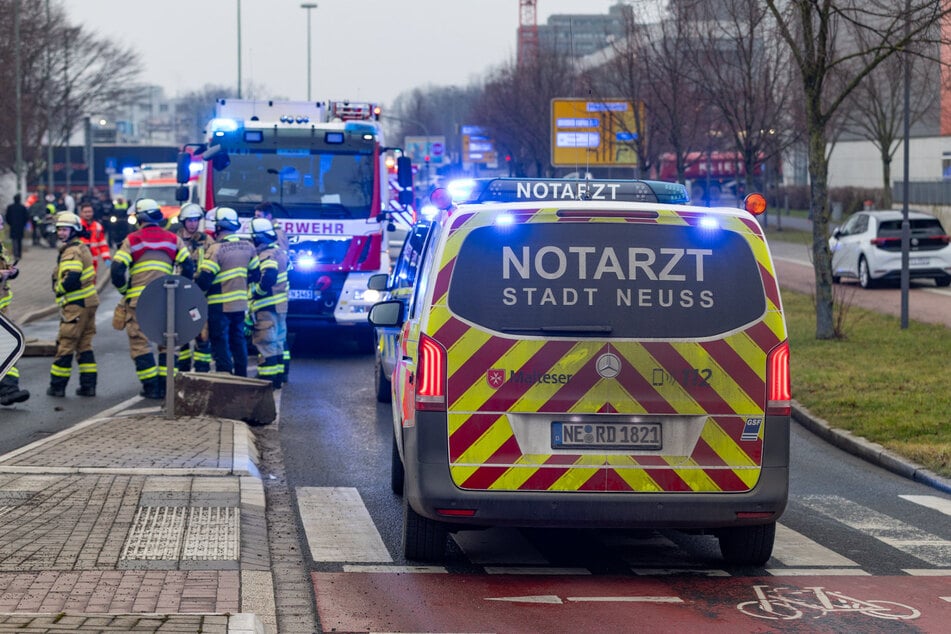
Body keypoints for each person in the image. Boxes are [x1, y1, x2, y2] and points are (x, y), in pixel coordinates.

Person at [111, 199, 194, 399]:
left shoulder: (132, 240)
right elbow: (188, 266)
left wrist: (125, 291)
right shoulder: (173, 239)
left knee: (140, 343)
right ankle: (166, 386)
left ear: (139, 218)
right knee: (168, 343)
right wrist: (179, 289)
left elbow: (117, 270)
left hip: (139, 301)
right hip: (167, 298)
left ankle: (150, 387)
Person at [195, 207, 260, 377]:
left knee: (220, 341)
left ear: (218, 227)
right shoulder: (248, 247)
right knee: (238, 340)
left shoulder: (216, 249)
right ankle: (241, 376)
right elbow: (256, 274)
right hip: (240, 303)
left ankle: (225, 376)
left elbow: (205, 279)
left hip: (219, 304)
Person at [47, 212, 99, 398]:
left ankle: (57, 387)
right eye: (59, 229)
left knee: (66, 344)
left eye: (65, 229)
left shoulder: (72, 251)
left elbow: (72, 277)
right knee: (84, 345)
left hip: (76, 305)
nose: (61, 233)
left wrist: (59, 289)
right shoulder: (81, 247)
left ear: (74, 230)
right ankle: (88, 387)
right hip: (88, 303)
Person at [248, 218, 288, 388]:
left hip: (266, 306)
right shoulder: (279, 251)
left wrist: (257, 292)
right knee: (278, 343)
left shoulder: (266, 255)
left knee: (266, 344)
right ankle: (278, 377)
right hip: (280, 305)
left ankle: (267, 380)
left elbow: (269, 276)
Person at [175, 203, 213, 372]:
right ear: (183, 222)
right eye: (190, 221)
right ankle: (182, 372)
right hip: (178, 295)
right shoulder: (175, 240)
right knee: (180, 334)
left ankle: (202, 371)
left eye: (196, 220)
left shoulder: (206, 240)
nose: (193, 224)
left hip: (199, 294)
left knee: (201, 334)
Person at [0, 241, 28, 406]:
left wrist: (12, 272)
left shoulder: (1, 247)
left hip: (3, 311)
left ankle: (9, 390)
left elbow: (6, 267)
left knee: (8, 350)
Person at [77, 201, 111, 273]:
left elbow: (102, 244)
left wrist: (106, 258)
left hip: (93, 262)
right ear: (81, 213)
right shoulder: (77, 226)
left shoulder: (98, 227)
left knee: (92, 279)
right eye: (85, 212)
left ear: (93, 212)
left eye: (89, 212)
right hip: (79, 260)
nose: (88, 214)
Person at [5, 194, 29, 260]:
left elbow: (7, 217)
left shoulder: (10, 207)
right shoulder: (22, 207)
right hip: (20, 226)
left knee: (14, 240)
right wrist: (23, 224)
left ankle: (15, 254)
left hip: (13, 226)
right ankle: (19, 254)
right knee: (19, 240)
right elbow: (26, 217)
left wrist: (10, 223)